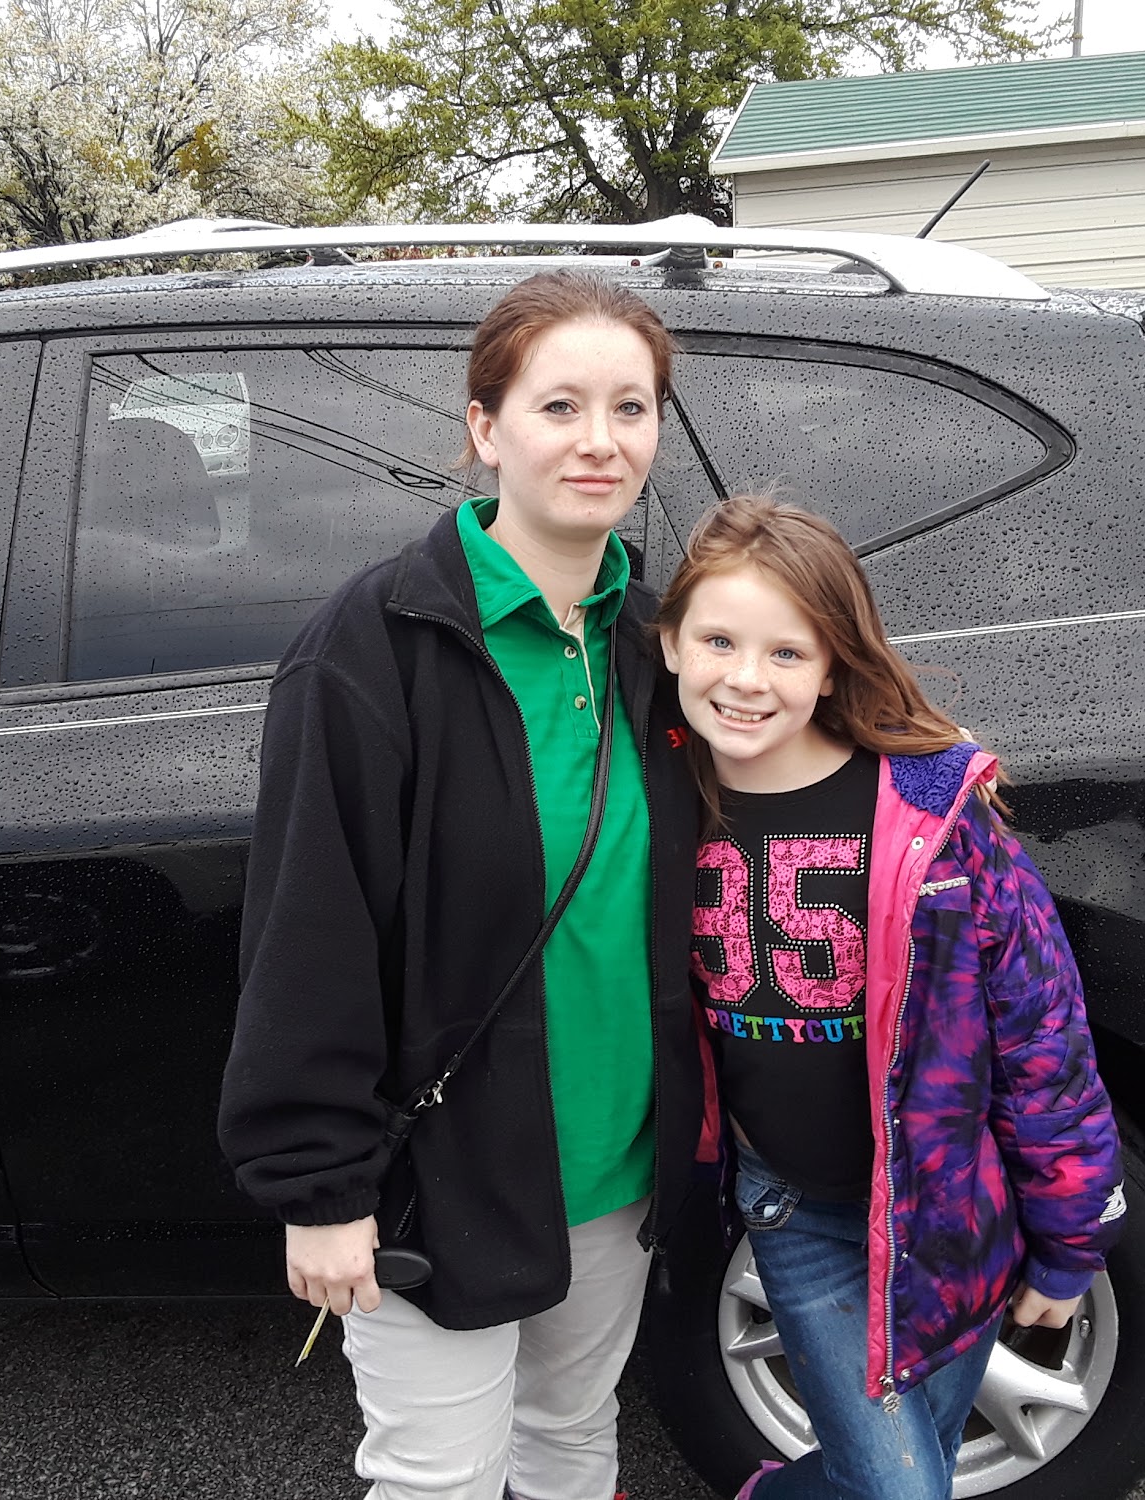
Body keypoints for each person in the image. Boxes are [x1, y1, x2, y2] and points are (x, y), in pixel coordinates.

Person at [217, 271, 704, 1500]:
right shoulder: (374, 646)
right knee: (437, 1480)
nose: (599, 441)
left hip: (615, 1169)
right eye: (558, 406)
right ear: (484, 428)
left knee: (570, 1441)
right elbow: (308, 934)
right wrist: (318, 1190)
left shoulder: (659, 647)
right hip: (439, 1173)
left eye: (630, 408)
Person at [652, 498, 1125, 1500]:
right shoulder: (657, 801)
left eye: (787, 652)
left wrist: (1070, 1237)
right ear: (670, 644)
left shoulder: (928, 815)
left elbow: (1041, 1031)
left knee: (907, 1476)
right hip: (793, 1210)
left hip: (949, 1213)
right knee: (901, 1490)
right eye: (719, 641)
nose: (745, 678)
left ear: (832, 667)